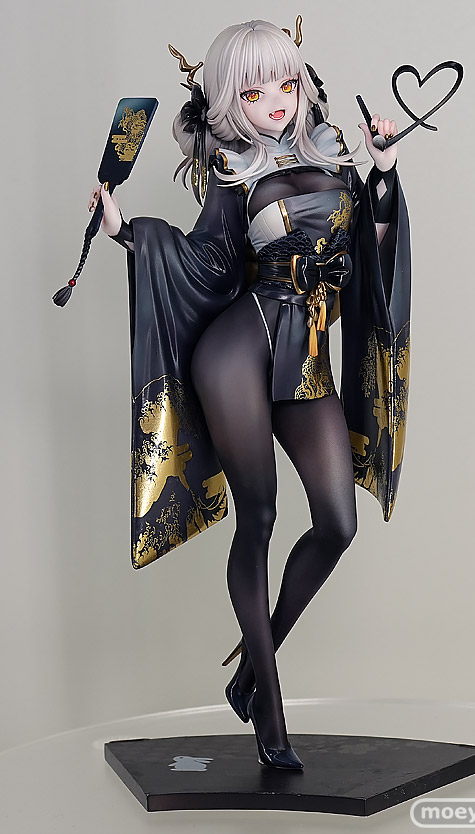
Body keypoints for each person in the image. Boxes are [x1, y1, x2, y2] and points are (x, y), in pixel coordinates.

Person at [88, 18, 411, 771]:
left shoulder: (334, 155)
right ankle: (270, 706)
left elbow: (370, 255)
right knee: (258, 516)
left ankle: (249, 673)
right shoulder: (235, 172)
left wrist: (385, 172)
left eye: (286, 83)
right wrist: (127, 232)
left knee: (336, 523)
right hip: (237, 352)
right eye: (254, 90)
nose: (275, 101)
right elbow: (204, 259)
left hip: (306, 356)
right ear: (229, 100)